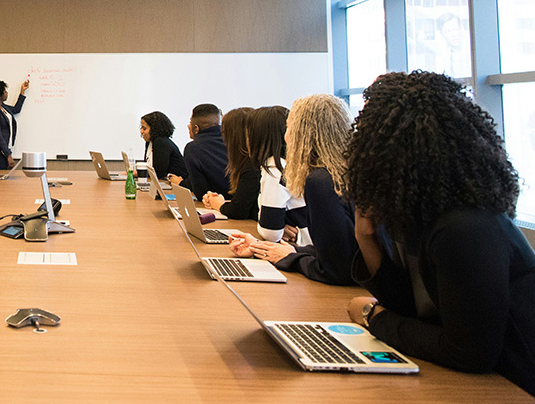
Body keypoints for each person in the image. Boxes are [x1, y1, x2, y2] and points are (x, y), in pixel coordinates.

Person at [343, 71, 535, 396]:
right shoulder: (424, 215)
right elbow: (415, 311)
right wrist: (366, 238)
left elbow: (470, 353)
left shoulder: (465, 227)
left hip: (515, 386)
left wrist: (374, 317)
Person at [228, 95, 357, 286]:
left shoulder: (320, 181)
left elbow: (336, 270)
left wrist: (291, 258)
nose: (286, 136)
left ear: (303, 134)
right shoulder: (347, 172)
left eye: (289, 128)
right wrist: (275, 249)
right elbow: (343, 254)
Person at [226, 105, 310, 249]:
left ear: (257, 137)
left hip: (297, 248)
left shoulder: (274, 169)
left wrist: (276, 228)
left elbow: (270, 233)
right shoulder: (294, 163)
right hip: (306, 245)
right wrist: (280, 227)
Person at [203, 107, 258, 220]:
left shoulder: (252, 166)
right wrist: (220, 201)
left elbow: (238, 211)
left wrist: (219, 204)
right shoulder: (250, 162)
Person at [182, 103, 229, 199]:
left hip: (214, 204)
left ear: (196, 128)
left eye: (190, 123)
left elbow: (201, 192)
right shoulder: (232, 140)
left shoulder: (193, 148)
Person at [0, 78, 29, 170]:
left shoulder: (2, 107)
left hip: (2, 149)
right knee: (2, 176)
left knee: (5, 175)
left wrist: (22, 91)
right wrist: (8, 155)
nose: (7, 93)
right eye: (5, 91)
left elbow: (16, 109)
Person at [139, 111, 188, 183]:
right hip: (165, 182)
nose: (141, 131)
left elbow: (158, 173)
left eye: (144, 128)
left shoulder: (160, 142)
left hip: (177, 184)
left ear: (154, 129)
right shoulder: (149, 142)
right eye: (141, 128)